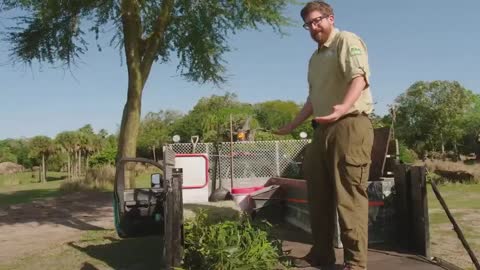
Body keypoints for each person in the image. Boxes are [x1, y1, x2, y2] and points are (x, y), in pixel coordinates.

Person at [275, 1, 374, 270]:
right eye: (308, 24)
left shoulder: (346, 40)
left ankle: (356, 264)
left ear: (330, 18)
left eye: (318, 20)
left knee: (349, 197)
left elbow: (360, 78)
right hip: (321, 130)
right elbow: (312, 99)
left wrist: (343, 107)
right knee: (318, 195)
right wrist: (291, 125)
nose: (313, 27)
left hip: (350, 125)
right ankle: (322, 255)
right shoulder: (315, 59)